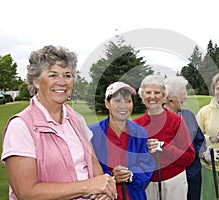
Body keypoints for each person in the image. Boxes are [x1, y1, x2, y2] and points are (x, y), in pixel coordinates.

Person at [1, 45, 117, 200]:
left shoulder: (76, 119)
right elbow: (26, 192)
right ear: (36, 81)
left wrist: (103, 191)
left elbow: (93, 162)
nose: (62, 82)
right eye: (53, 75)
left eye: (67, 75)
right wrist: (89, 186)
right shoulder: (20, 126)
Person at [89, 81, 155, 200]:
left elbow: (146, 165)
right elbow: (87, 169)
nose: (123, 106)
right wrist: (112, 177)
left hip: (133, 195)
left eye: (128, 101)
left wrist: (130, 175)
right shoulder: (92, 134)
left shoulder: (140, 133)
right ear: (107, 103)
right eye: (117, 101)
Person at [133, 74, 195, 200]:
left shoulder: (176, 121)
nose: (152, 96)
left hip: (174, 182)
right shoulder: (135, 125)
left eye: (157, 92)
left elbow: (188, 157)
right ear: (142, 96)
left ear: (164, 96)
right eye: (148, 92)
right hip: (147, 184)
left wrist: (164, 146)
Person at [164, 76, 219, 200]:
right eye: (183, 93)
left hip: (193, 174)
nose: (186, 97)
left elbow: (198, 140)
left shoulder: (188, 115)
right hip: (171, 176)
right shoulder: (158, 119)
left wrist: (204, 154)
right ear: (170, 97)